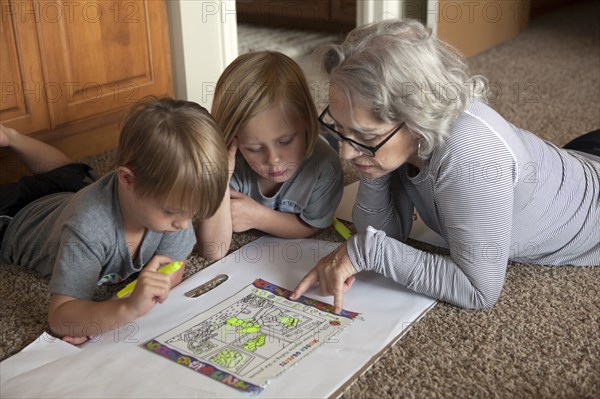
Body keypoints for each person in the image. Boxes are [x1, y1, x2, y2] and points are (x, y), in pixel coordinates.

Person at [290, 19, 600, 312]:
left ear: (415, 118)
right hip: (579, 157)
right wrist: (371, 163)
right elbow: (386, 234)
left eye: (365, 134)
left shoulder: (470, 157)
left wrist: (366, 250)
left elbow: (479, 290)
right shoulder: (403, 136)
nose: (344, 153)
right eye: (341, 129)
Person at [0, 97, 229, 343]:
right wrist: (125, 309)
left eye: (192, 214)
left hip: (72, 193)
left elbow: (173, 267)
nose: (184, 225)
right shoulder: (88, 229)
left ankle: (10, 137)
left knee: (70, 172)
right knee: (42, 185)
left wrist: (113, 306)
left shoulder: (173, 210)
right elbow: (60, 316)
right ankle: (10, 137)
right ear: (127, 179)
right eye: (172, 212)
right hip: (16, 215)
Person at [202, 51, 344, 260]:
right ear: (234, 139)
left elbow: (312, 225)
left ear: (306, 119)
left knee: (333, 139)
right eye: (255, 148)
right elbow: (212, 250)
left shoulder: (326, 168)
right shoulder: (230, 163)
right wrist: (221, 176)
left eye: (285, 141)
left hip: (319, 144)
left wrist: (260, 218)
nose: (273, 159)